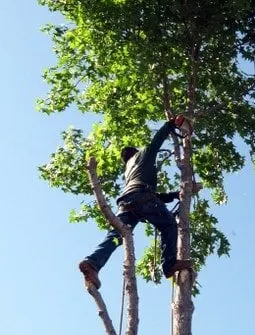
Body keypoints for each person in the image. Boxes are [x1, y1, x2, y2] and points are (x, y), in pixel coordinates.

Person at [79, 116, 192, 290]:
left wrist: (174, 195)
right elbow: (156, 142)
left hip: (127, 202)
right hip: (141, 198)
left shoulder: (129, 171)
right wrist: (171, 124)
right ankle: (169, 265)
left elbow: (148, 195)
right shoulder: (142, 155)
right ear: (135, 152)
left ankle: (92, 262)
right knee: (169, 224)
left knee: (115, 236)